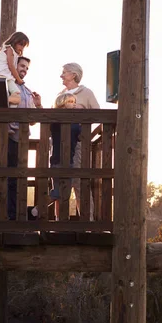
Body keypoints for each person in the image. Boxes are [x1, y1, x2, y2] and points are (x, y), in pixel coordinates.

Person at [0, 56, 42, 220]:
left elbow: (33, 121)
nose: (24, 70)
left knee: (15, 179)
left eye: (27, 68)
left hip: (20, 140)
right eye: (22, 66)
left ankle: (11, 216)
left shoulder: (27, 92)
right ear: (13, 66)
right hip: (2, 136)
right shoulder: (4, 84)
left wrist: (38, 104)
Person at [58, 62, 100, 219]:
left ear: (73, 75)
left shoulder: (86, 93)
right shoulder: (60, 94)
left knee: (79, 182)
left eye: (64, 72)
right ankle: (60, 222)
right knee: (61, 182)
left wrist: (81, 111)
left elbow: (97, 114)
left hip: (78, 143)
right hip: (59, 143)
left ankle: (87, 222)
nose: (61, 75)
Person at [49, 93, 81, 220]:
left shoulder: (75, 122)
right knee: (57, 191)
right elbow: (52, 124)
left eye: (74, 101)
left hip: (70, 160)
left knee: (65, 193)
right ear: (61, 103)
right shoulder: (56, 119)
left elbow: (80, 135)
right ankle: (38, 210)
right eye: (69, 101)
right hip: (57, 159)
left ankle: (61, 220)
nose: (73, 104)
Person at [0, 32, 30, 101]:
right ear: (14, 41)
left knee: (16, 95)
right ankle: (3, 100)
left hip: (7, 77)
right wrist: (19, 79)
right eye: (20, 44)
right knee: (4, 93)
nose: (22, 48)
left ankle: (6, 104)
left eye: (24, 46)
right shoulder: (9, 49)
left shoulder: (16, 55)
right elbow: (11, 66)